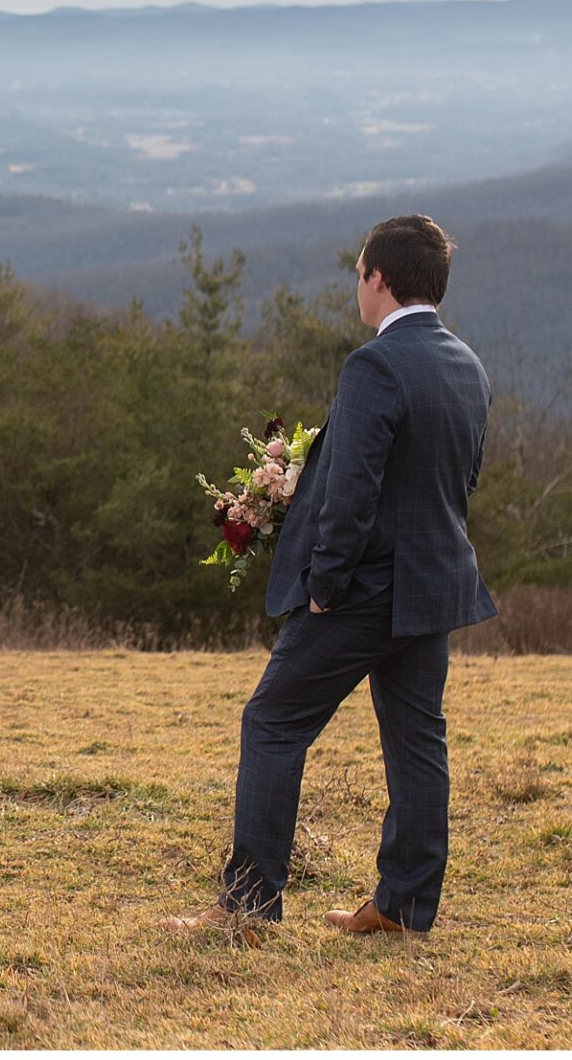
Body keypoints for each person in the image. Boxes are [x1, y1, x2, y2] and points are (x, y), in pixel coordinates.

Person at [172, 214, 495, 943]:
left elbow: (351, 489)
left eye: (357, 274)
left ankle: (249, 911)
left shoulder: (374, 366)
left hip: (362, 591)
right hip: (430, 586)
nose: (357, 286)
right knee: (417, 743)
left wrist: (324, 582)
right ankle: (404, 907)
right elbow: (461, 480)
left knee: (272, 723)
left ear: (377, 278)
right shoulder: (465, 364)